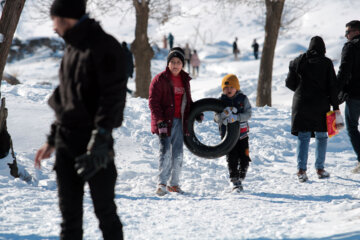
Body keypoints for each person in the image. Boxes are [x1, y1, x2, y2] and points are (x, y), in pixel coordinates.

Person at [34, 0, 126, 239]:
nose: (53, 27)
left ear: (65, 18)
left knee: (106, 214)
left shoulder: (105, 46)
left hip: (95, 145)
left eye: (54, 20)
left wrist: (101, 138)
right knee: (69, 220)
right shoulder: (71, 48)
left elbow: (113, 97)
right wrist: (53, 138)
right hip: (66, 143)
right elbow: (66, 98)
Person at [285, 36, 339, 182]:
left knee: (303, 137)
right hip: (321, 105)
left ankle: (301, 171)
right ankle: (320, 169)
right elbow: (333, 87)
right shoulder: (326, 63)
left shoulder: (299, 60)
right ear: (323, 48)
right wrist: (335, 106)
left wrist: (301, 91)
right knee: (321, 137)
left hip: (301, 104)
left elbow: (290, 83)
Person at [149, 47, 198, 196]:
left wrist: (195, 113)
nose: (175, 65)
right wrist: (160, 120)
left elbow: (187, 99)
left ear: (182, 64)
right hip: (164, 122)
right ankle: (162, 183)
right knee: (165, 152)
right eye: (173, 62)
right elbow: (153, 102)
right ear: (168, 64)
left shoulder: (184, 79)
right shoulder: (160, 79)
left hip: (179, 121)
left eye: (178, 62)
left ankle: (174, 184)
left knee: (178, 153)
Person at [214, 74, 252, 192]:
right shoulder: (221, 101)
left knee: (244, 157)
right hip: (228, 137)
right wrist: (223, 115)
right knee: (232, 158)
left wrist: (238, 117)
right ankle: (234, 180)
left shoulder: (243, 99)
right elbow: (216, 118)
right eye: (226, 88)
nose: (229, 90)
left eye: (231, 87)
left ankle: (241, 175)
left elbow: (248, 114)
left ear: (236, 87)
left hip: (242, 135)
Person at [337, 20, 360, 173]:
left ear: (357, 32)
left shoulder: (351, 47)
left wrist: (336, 91)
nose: (346, 35)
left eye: (348, 32)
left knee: (351, 126)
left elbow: (344, 71)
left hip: (355, 94)